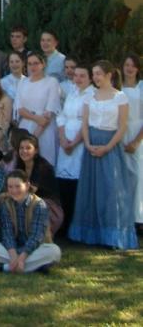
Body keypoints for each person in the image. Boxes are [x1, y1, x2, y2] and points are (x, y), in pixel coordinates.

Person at [69, 60, 137, 250]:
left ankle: (113, 235)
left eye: (99, 73)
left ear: (109, 75)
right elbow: (85, 124)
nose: (96, 77)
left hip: (110, 145)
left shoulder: (120, 97)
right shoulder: (90, 97)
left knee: (111, 189)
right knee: (91, 188)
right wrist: (88, 143)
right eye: (94, 73)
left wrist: (107, 147)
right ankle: (90, 233)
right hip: (91, 143)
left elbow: (122, 126)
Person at [0, 170, 61, 273]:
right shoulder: (6, 204)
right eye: (10, 187)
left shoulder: (39, 205)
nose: (14, 191)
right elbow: (7, 233)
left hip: (34, 249)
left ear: (27, 185)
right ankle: (33, 267)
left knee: (54, 252)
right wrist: (14, 257)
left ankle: (5, 267)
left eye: (18, 186)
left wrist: (22, 258)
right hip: (12, 249)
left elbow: (36, 237)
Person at [56, 62, 93, 232]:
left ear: (90, 78)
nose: (77, 78)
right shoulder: (72, 92)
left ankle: (77, 225)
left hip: (80, 141)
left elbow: (88, 121)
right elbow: (62, 116)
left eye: (82, 75)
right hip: (65, 142)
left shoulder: (92, 95)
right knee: (64, 183)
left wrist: (75, 142)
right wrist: (63, 139)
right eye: (76, 75)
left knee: (78, 184)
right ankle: (64, 224)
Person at [15, 51, 61, 166]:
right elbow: (19, 108)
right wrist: (35, 119)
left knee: (44, 161)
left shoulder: (51, 82)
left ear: (43, 64)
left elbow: (50, 110)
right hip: (26, 126)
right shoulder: (23, 82)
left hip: (44, 129)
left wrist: (34, 137)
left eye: (36, 63)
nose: (32, 67)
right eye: (30, 64)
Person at [15, 133, 64, 237]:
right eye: (21, 148)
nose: (24, 151)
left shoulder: (42, 166)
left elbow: (32, 190)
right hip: (26, 199)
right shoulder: (19, 165)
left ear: (36, 150)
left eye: (28, 148)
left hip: (48, 206)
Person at [121, 53, 142, 227]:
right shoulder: (117, 87)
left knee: (137, 175)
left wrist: (136, 141)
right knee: (121, 176)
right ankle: (123, 216)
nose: (129, 68)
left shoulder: (142, 87)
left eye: (132, 65)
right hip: (120, 132)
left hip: (137, 133)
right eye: (126, 64)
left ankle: (138, 217)